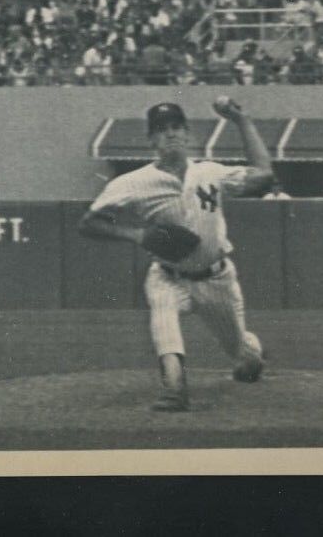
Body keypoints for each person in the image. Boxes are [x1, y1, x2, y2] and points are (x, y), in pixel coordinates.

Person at [77, 97, 274, 412]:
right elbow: (89, 222)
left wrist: (241, 120)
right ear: (151, 140)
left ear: (187, 134)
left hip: (217, 279)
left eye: (176, 127)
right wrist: (137, 234)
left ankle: (252, 355)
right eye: (161, 130)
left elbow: (264, 174)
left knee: (244, 356)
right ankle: (174, 387)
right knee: (163, 316)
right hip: (168, 276)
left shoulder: (211, 173)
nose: (170, 134)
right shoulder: (133, 182)